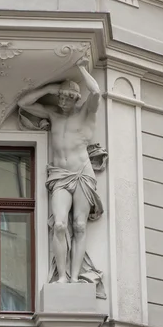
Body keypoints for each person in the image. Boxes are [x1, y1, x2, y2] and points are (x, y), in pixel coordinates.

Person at [18, 56, 103, 284]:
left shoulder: (86, 113)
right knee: (59, 224)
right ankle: (62, 276)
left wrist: (82, 69)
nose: (62, 101)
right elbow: (24, 103)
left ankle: (74, 277)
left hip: (82, 174)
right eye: (60, 97)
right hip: (60, 176)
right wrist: (51, 87)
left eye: (67, 98)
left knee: (79, 225)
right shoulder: (53, 114)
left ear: (75, 98)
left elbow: (95, 93)